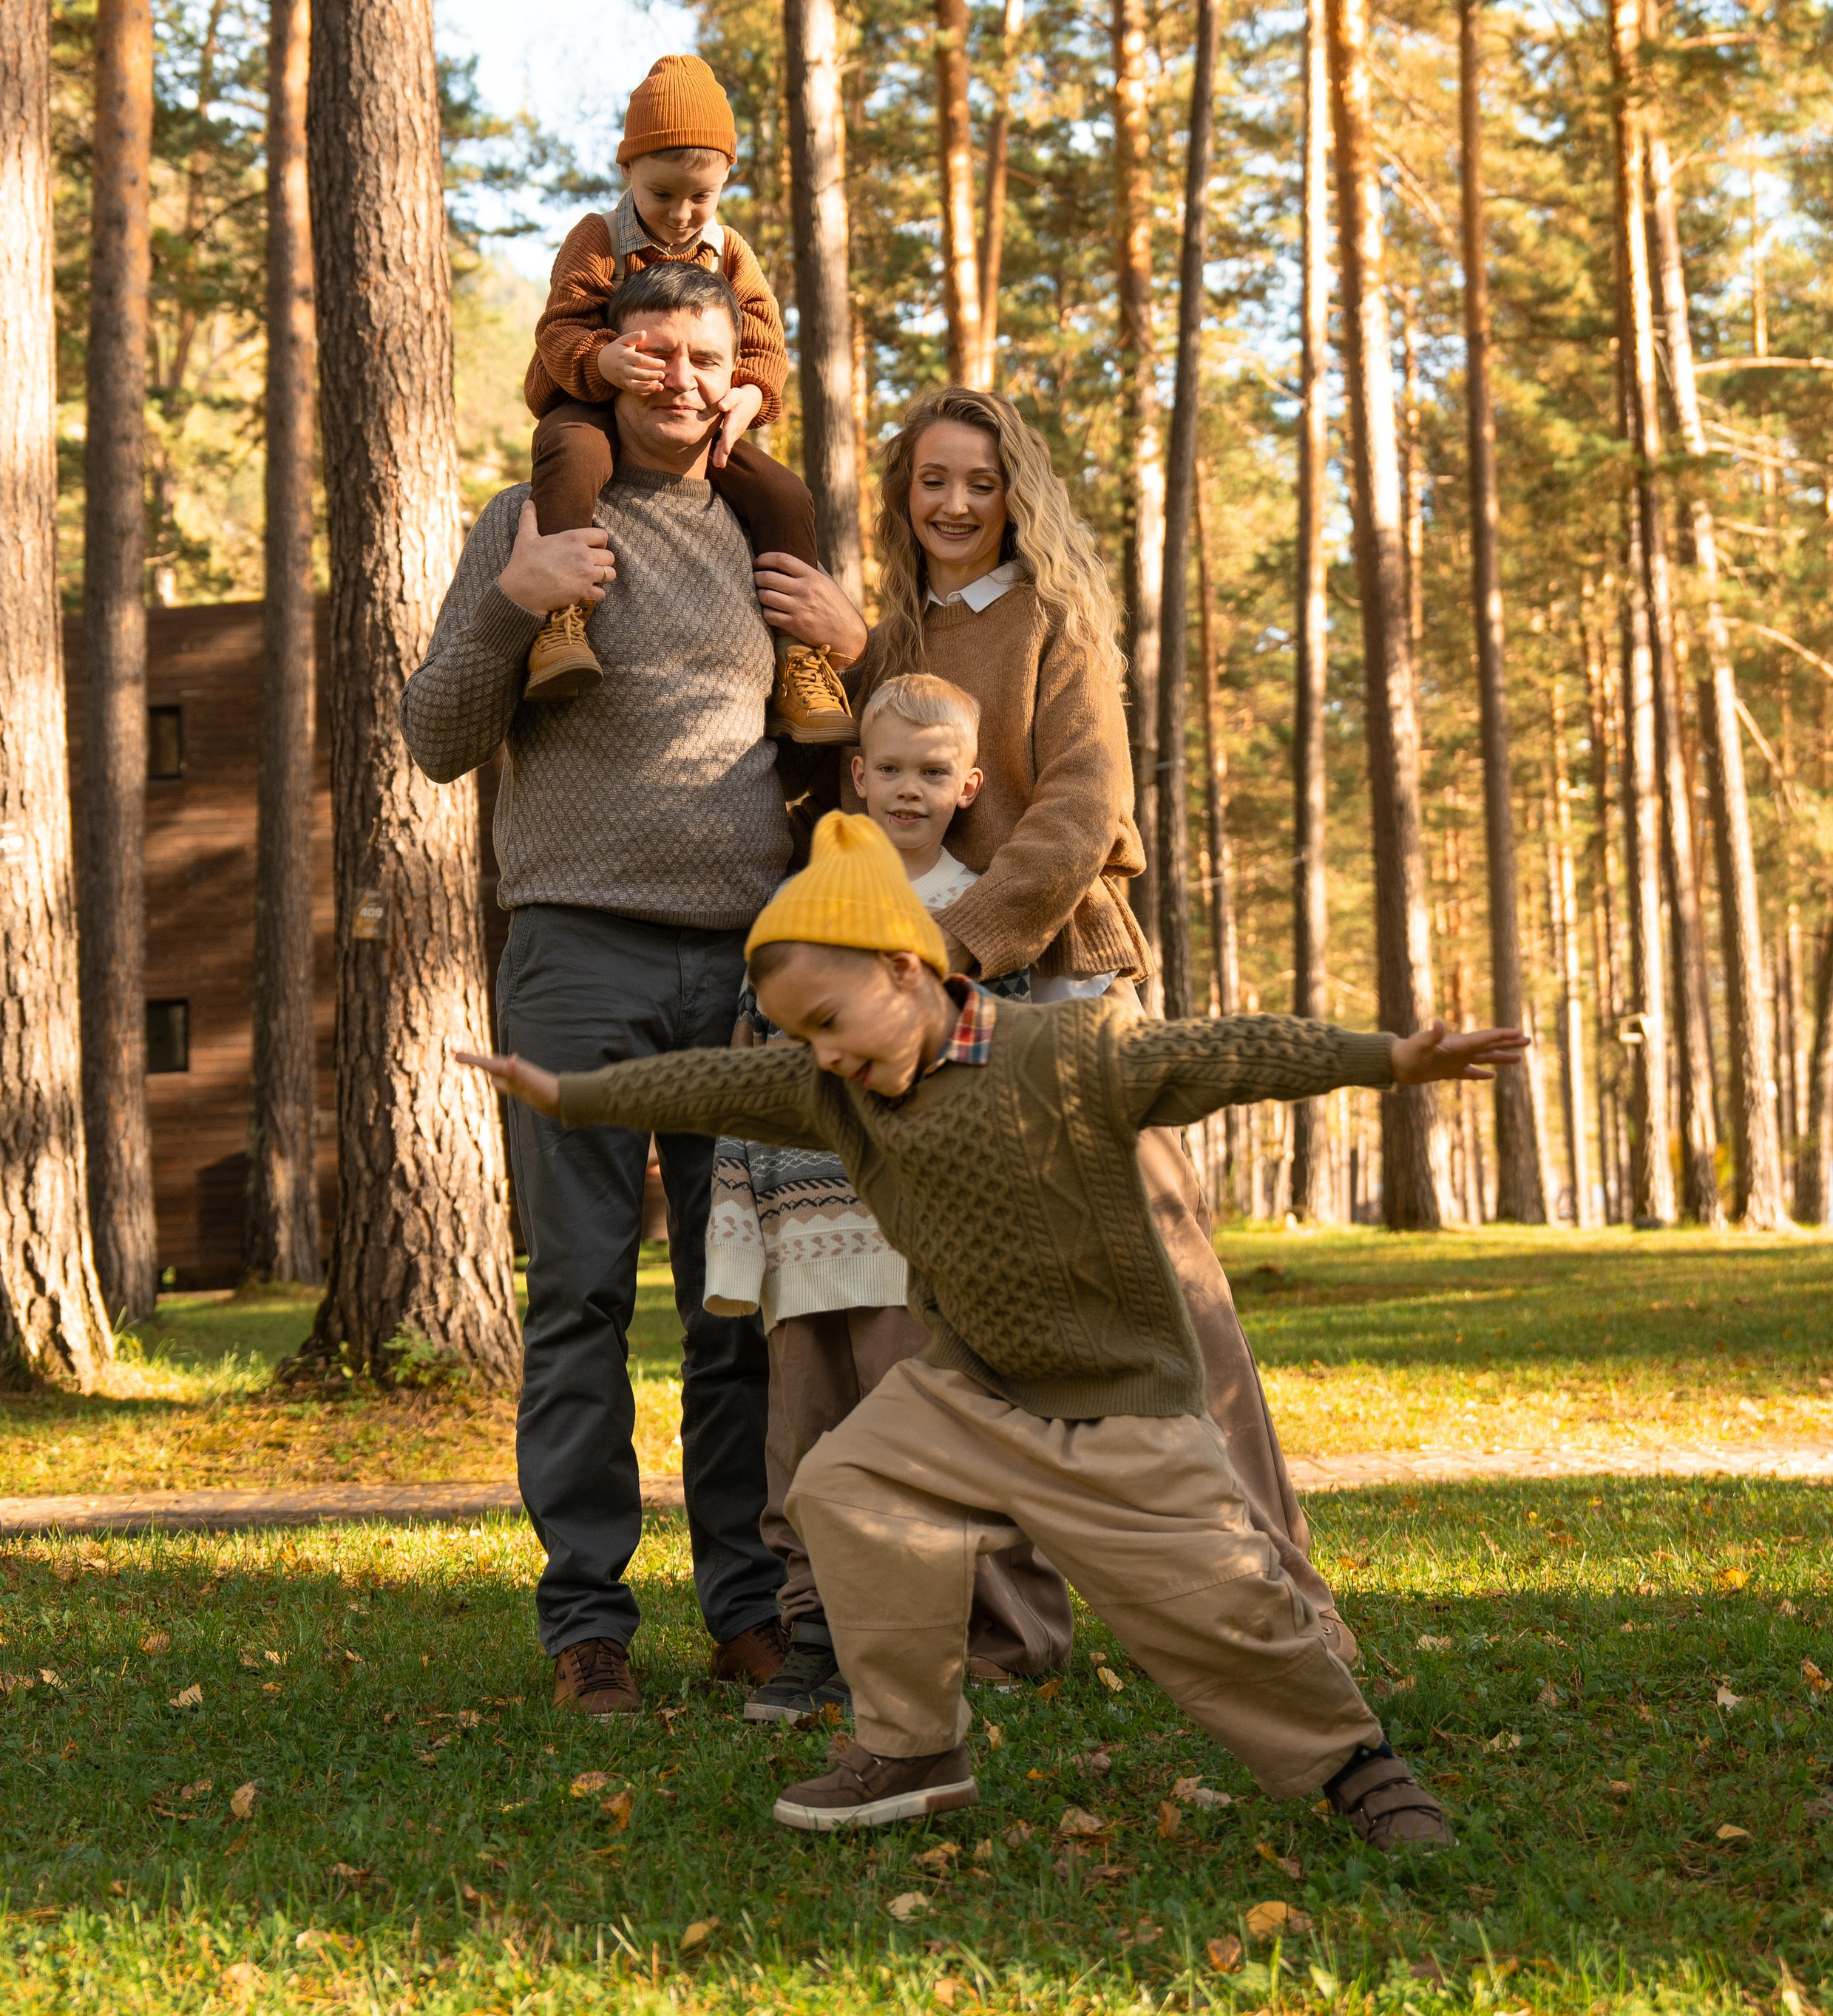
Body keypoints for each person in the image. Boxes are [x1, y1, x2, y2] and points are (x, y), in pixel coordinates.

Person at [461, 812, 1526, 1842]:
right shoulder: (834, 1092)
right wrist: (571, 1093)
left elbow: (1225, 1056)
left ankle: (1357, 1763)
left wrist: (1388, 1058)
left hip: (1118, 1407)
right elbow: (704, 1081)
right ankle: (916, 1747)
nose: (820, 1055)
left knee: (1214, 1605)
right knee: (845, 1484)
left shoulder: (1068, 1051)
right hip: (965, 1391)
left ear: (905, 969)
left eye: (829, 1021)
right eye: (799, 1036)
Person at [401, 260, 867, 1717]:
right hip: (575, 950)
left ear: (742, 371)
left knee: (739, 1304)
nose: (677, 377)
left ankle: (744, 1608)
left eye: (704, 354)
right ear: (603, 361)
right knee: (580, 1298)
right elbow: (431, 736)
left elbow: (879, 743)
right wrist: (509, 606)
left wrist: (861, 644)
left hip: (751, 962)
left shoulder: (765, 528)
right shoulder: (533, 518)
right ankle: (586, 1626)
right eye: (650, 350)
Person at [840, 386, 1356, 1657]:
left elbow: (1080, 812)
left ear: (1018, 493)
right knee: (984, 1314)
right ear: (903, 499)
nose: (955, 503)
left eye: (980, 480)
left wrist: (956, 945)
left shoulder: (1052, 621)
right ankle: (1015, 1636)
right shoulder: (901, 636)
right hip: (948, 1020)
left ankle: (1290, 1606)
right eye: (931, 482)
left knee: (1171, 1308)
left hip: (1064, 991)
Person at [705, 673, 1071, 1723]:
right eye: (891, 769)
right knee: (807, 1448)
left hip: (918, 1242)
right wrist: (743, 1236)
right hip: (805, 1232)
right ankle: (817, 1627)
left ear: (969, 784)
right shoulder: (793, 911)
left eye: (932, 771)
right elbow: (751, 1075)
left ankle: (990, 1634)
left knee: (936, 1437)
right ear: (857, 775)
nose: (909, 789)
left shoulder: (979, 913)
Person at [521, 50, 852, 742]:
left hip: (695, 413)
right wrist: (602, 359)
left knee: (785, 495)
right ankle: (561, 621)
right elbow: (559, 328)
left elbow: (763, 337)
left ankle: (798, 657)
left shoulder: (729, 250)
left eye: (700, 197)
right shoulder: (598, 237)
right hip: (595, 397)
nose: (680, 214)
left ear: (726, 181)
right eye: (662, 194)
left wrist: (751, 395)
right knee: (570, 451)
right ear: (629, 173)